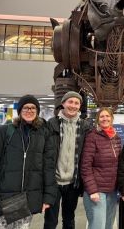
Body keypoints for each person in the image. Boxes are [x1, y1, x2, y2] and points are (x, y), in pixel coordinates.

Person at [0, 95, 57, 229]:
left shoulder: (43, 135)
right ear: (19, 111)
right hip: (3, 198)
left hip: (26, 199)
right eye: (25, 107)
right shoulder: (4, 131)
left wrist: (48, 197)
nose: (29, 110)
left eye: (33, 108)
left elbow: (48, 167)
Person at [44, 91, 91, 229]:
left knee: (69, 218)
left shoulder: (85, 126)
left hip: (73, 182)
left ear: (80, 106)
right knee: (50, 220)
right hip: (54, 181)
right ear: (63, 103)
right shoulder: (51, 124)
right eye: (70, 102)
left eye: (76, 103)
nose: (73, 105)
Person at [81, 107, 122, 229]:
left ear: (112, 118)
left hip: (112, 190)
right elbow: (85, 166)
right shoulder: (92, 136)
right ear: (98, 120)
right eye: (102, 116)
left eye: (107, 116)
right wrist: (92, 190)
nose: (105, 119)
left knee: (109, 224)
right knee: (97, 225)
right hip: (97, 190)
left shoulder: (116, 137)